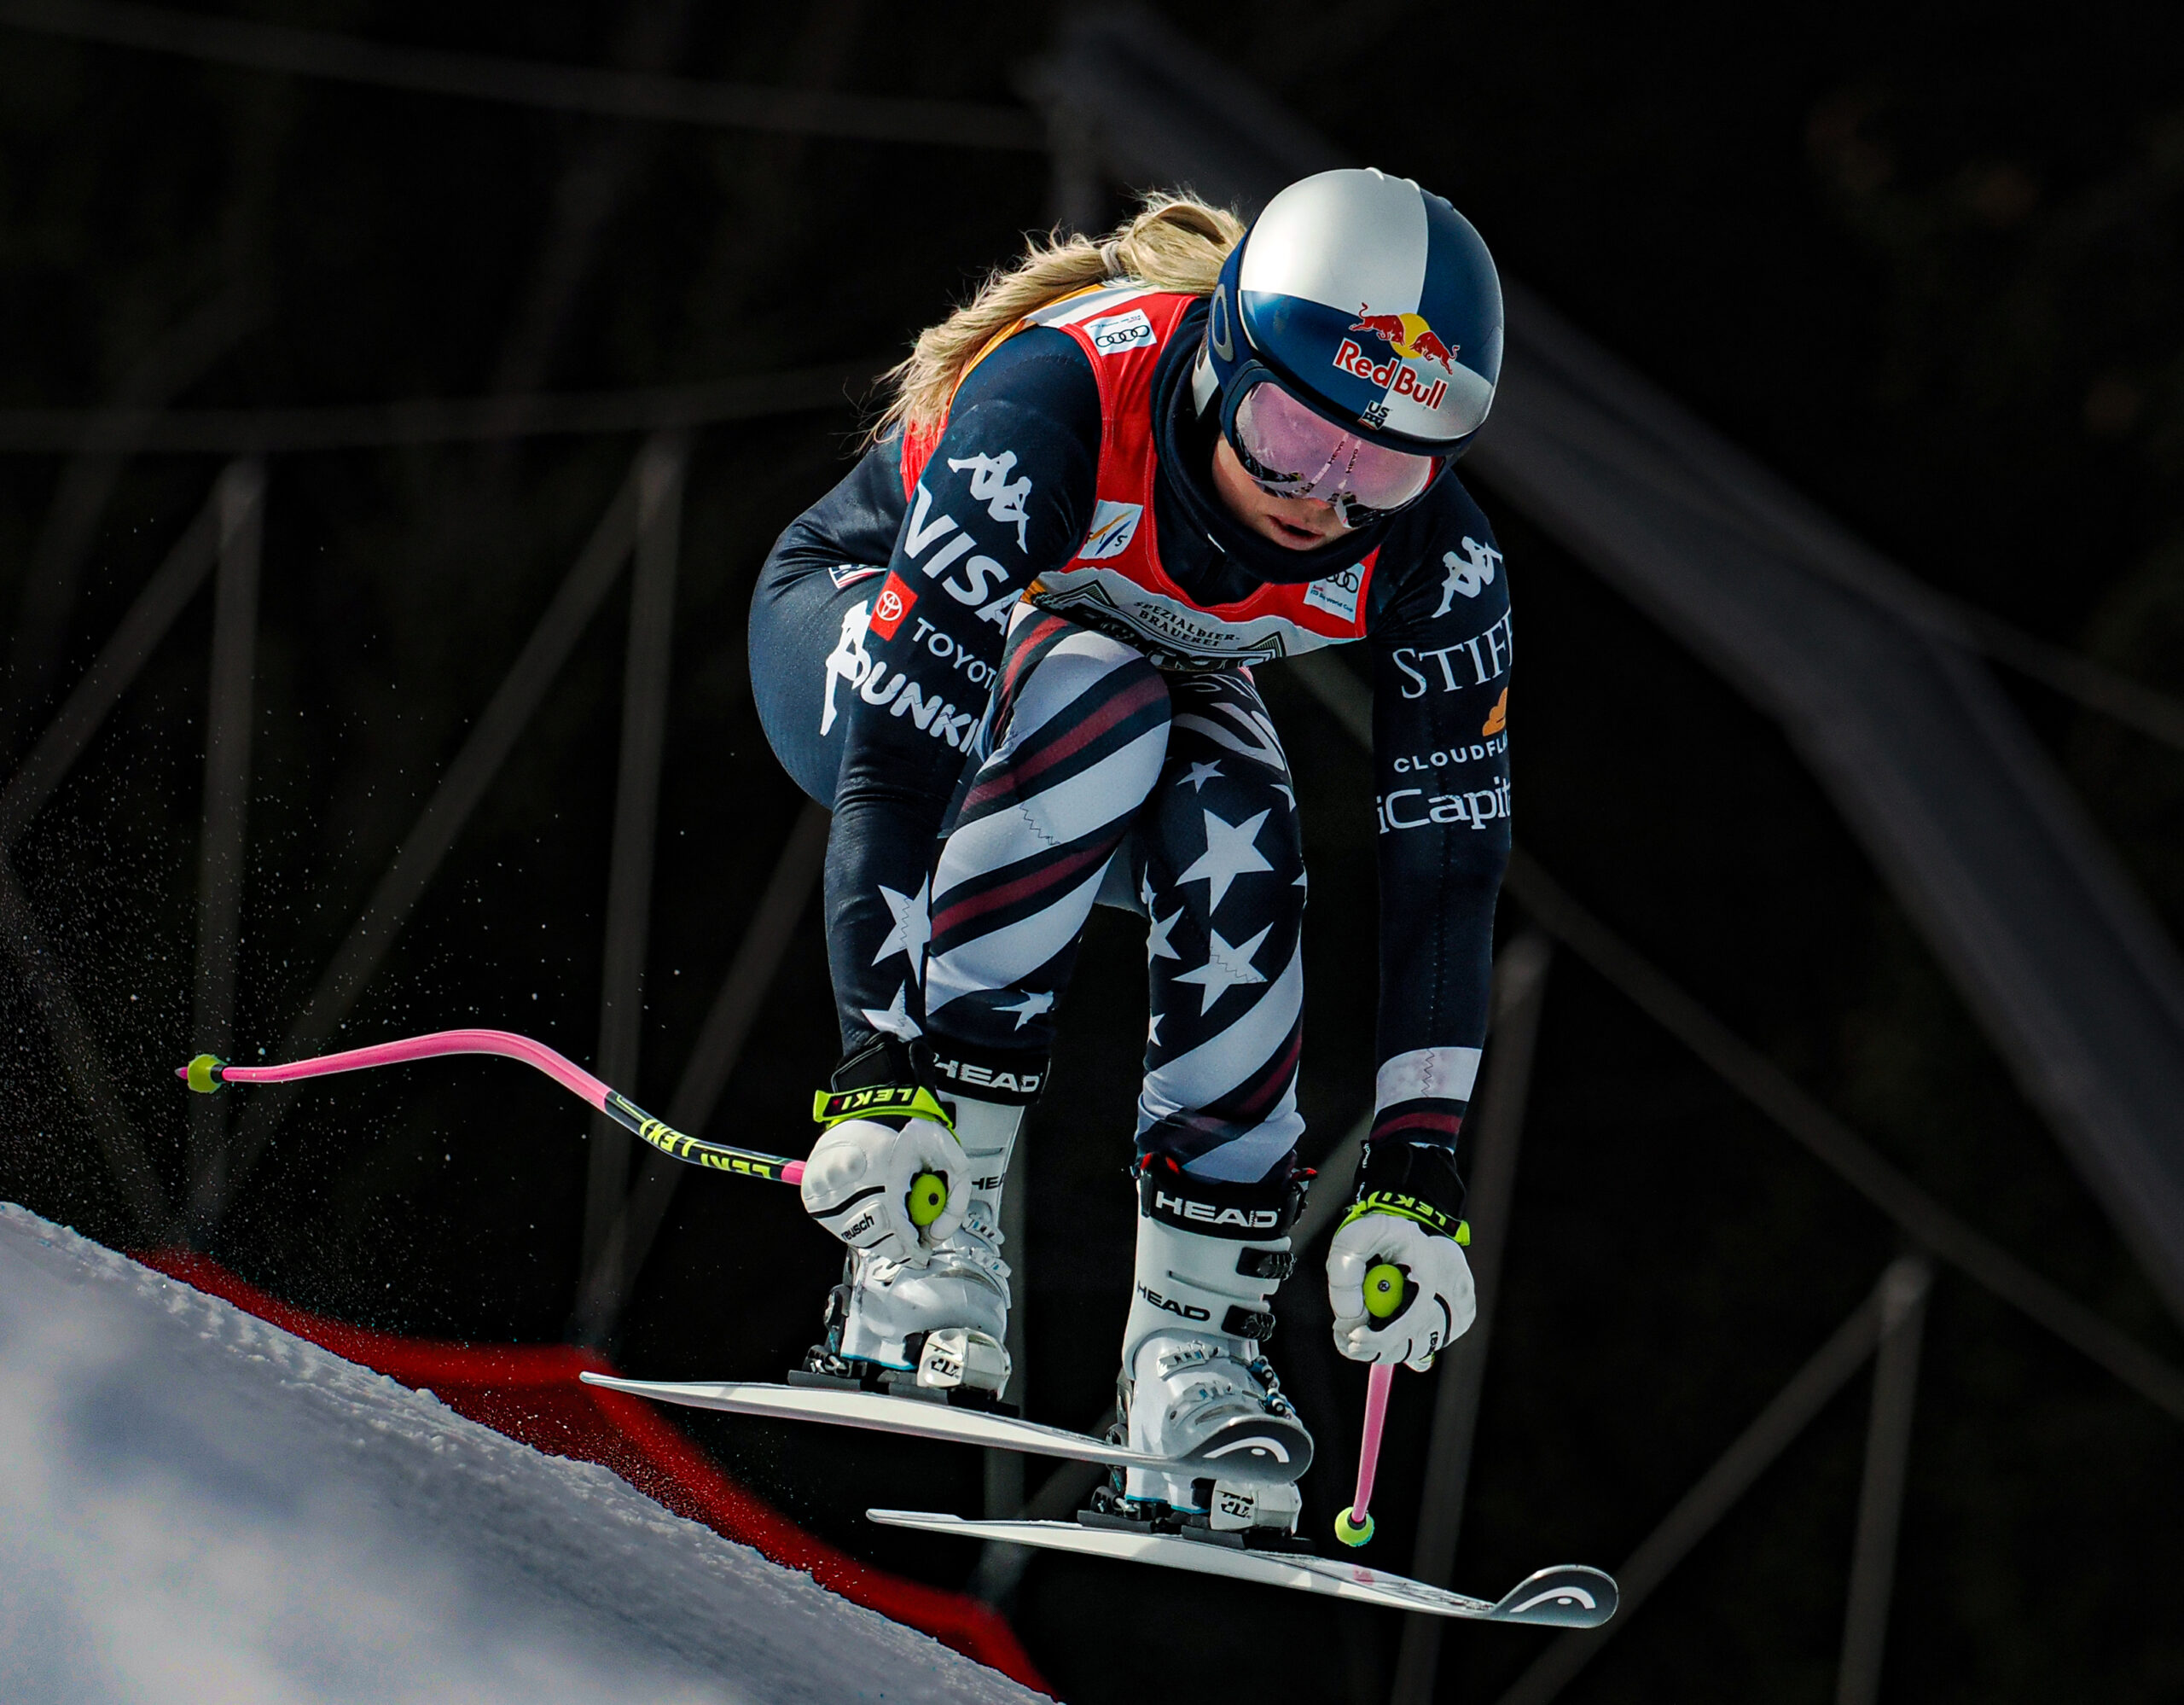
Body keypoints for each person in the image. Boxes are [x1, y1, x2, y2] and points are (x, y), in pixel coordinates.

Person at [749, 168, 1510, 1539]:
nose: (1323, 498)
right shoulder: (1058, 402)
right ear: (1223, 361)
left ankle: (1192, 1347)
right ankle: (926, 1231)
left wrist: (1418, 1169)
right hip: (867, 646)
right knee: (1097, 697)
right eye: (1291, 434)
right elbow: (899, 766)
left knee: (1242, 811)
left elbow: (1449, 867)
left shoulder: (1438, 562)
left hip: (1098, 715)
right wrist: (878, 1065)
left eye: (1383, 466)